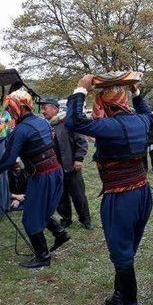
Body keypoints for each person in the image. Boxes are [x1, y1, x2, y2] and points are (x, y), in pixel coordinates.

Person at [65, 75, 153, 305]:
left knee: (121, 251)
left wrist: (80, 90)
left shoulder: (109, 127)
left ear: (106, 102)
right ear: (123, 100)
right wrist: (137, 94)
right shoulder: (142, 121)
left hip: (121, 196)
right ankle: (119, 294)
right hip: (142, 193)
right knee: (127, 247)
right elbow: (150, 115)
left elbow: (73, 121)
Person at [0, 89, 65, 269]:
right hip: (54, 171)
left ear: (20, 106)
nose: (8, 111)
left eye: (10, 107)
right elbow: (40, 148)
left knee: (30, 218)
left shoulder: (22, 129)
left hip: (43, 176)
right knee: (40, 208)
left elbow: (8, 159)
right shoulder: (42, 122)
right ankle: (60, 233)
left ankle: (43, 256)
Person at [39, 98, 92, 230]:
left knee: (78, 195)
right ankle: (66, 219)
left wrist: (79, 158)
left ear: (55, 109)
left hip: (71, 165)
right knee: (61, 196)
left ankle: (85, 219)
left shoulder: (68, 121)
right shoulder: (46, 125)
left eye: (45, 108)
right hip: (55, 167)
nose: (43, 111)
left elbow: (81, 141)